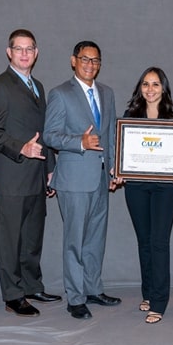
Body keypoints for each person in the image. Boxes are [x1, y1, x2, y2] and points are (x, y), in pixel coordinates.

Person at [0, 29, 61, 318]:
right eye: (19, 49)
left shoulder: (38, 86)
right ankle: (13, 295)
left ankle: (31, 285)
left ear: (36, 53)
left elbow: (45, 132)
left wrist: (50, 169)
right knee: (10, 239)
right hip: (12, 174)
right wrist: (21, 149)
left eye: (30, 49)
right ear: (9, 52)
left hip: (37, 175)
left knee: (32, 237)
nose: (25, 54)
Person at [43, 41, 122, 319]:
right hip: (73, 180)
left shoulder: (107, 93)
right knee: (74, 241)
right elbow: (49, 135)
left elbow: (111, 134)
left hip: (101, 178)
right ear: (73, 61)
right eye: (85, 59)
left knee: (95, 240)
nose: (90, 65)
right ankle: (75, 298)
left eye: (96, 60)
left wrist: (114, 169)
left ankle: (92, 289)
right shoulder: (60, 94)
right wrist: (80, 141)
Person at [123, 67, 173, 324]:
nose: (150, 89)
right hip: (136, 186)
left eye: (156, 85)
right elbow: (124, 152)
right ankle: (148, 293)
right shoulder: (131, 115)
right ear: (140, 88)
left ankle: (159, 302)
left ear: (164, 88)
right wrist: (120, 170)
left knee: (159, 241)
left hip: (165, 187)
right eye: (146, 84)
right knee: (144, 242)